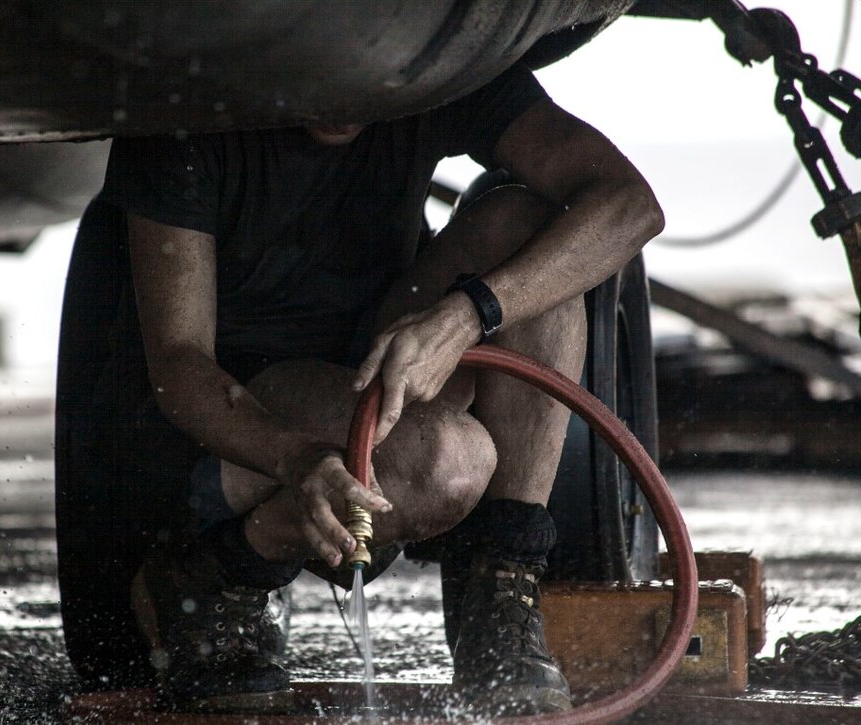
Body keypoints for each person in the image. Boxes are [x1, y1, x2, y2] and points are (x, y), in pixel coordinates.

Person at [91, 61, 664, 715]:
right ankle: (219, 568)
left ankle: (499, 597)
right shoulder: (190, 107)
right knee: (450, 463)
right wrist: (291, 455)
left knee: (527, 232)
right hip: (247, 398)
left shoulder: (436, 63)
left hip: (377, 349)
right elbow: (179, 363)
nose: (343, 102)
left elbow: (630, 205)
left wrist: (469, 313)